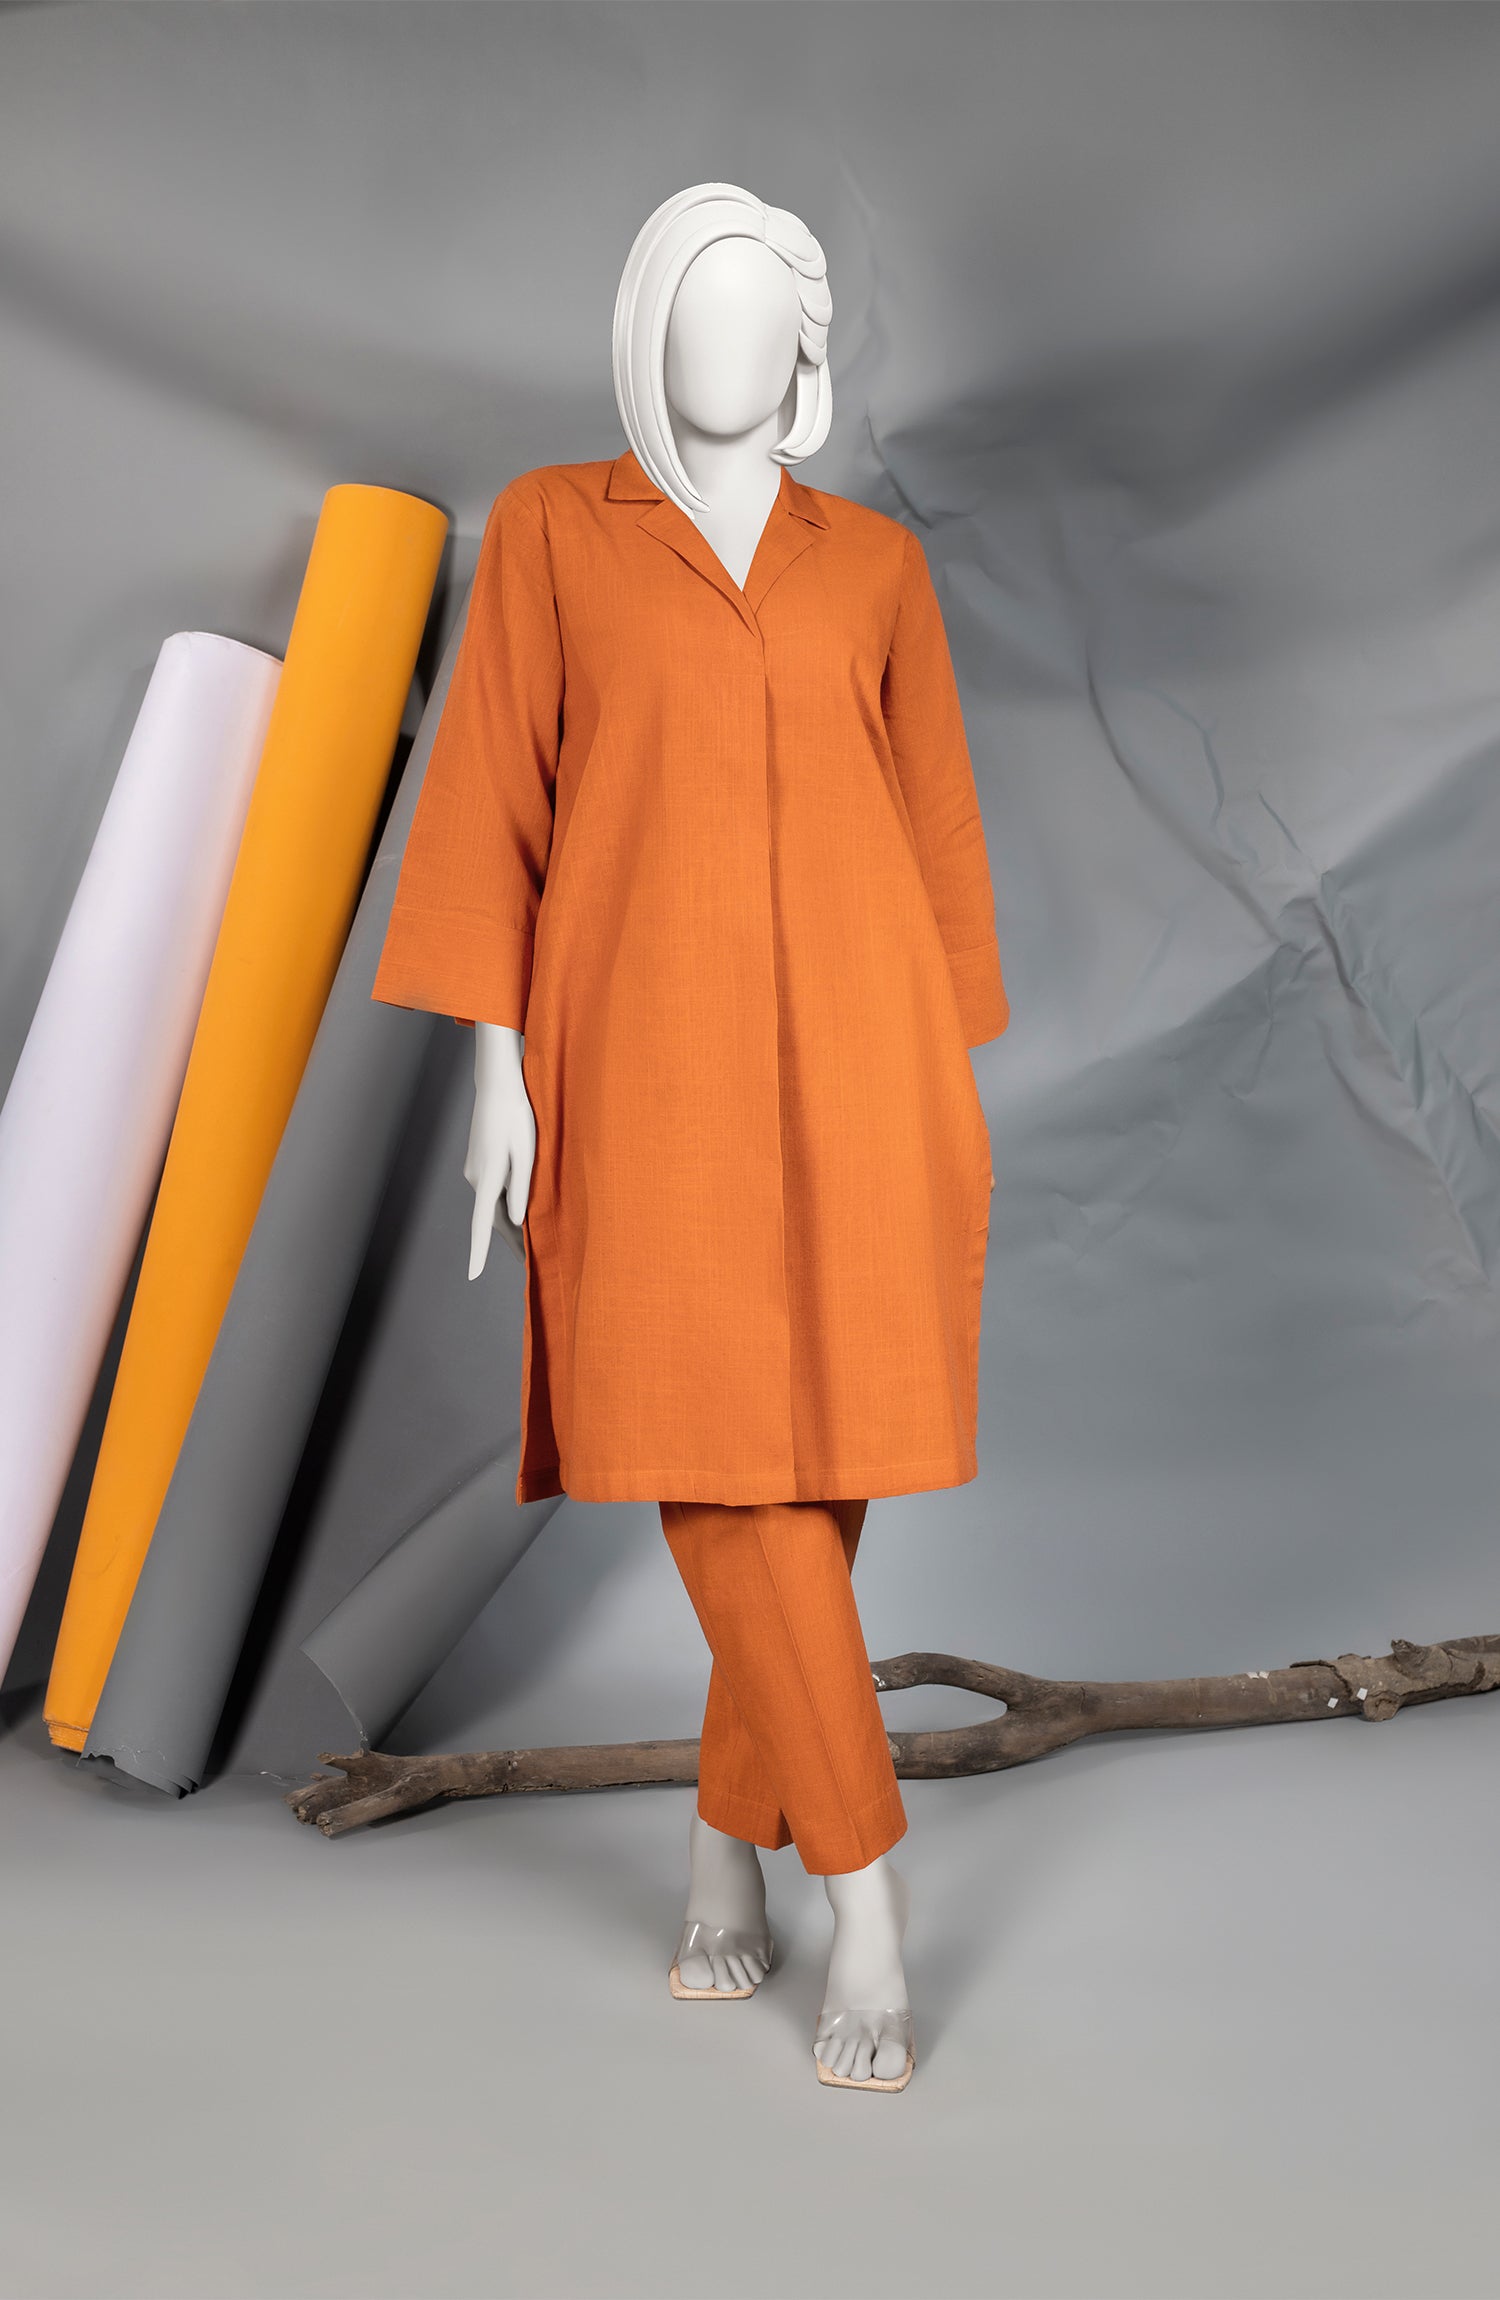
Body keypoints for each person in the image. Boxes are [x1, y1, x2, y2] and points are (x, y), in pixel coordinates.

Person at [371, 183, 1008, 2090]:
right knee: (720, 1467)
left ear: (805, 350)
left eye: (762, 314)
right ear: (645, 329)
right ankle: (866, 1892)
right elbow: (491, 803)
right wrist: (497, 1071)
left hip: (867, 1060)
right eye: (695, 307)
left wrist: (949, 1089)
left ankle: (728, 1851)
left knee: (820, 1471)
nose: (727, 345)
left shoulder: (873, 565)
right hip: (639, 1061)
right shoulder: (556, 528)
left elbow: (940, 832)